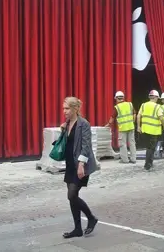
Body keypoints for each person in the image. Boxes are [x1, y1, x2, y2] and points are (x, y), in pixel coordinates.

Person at [60, 97, 98, 238]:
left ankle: (91, 218)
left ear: (76, 109)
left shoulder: (84, 124)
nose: (64, 111)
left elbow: (86, 146)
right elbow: (69, 143)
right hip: (70, 164)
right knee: (72, 197)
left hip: (81, 165)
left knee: (72, 195)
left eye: (67, 108)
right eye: (64, 108)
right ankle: (77, 229)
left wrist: (81, 165)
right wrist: (63, 130)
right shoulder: (68, 123)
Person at [105, 91, 136, 164]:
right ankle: (133, 159)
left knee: (123, 144)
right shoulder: (130, 104)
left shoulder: (117, 107)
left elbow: (112, 117)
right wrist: (132, 122)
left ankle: (125, 160)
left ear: (116, 98)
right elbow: (134, 113)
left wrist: (108, 124)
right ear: (123, 97)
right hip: (131, 127)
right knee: (132, 143)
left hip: (123, 128)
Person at [137, 90, 164, 171]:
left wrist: (138, 127)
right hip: (154, 130)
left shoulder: (143, 105)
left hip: (144, 130)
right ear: (155, 97)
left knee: (148, 147)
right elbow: (161, 118)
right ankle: (147, 165)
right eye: (157, 98)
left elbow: (138, 116)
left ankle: (150, 163)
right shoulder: (157, 106)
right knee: (151, 148)